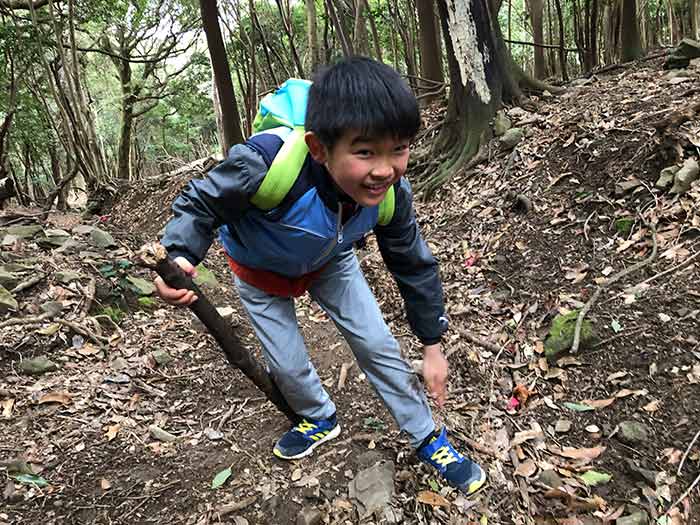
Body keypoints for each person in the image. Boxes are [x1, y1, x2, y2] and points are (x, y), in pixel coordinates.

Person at [154, 56, 486, 495]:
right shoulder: (265, 163)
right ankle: (318, 416)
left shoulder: (391, 194)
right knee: (287, 365)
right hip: (258, 274)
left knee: (377, 343)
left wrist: (432, 344)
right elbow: (201, 201)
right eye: (365, 151)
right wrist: (177, 254)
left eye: (398, 149)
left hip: (333, 262)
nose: (384, 169)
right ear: (319, 147)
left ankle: (426, 434)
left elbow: (412, 262)